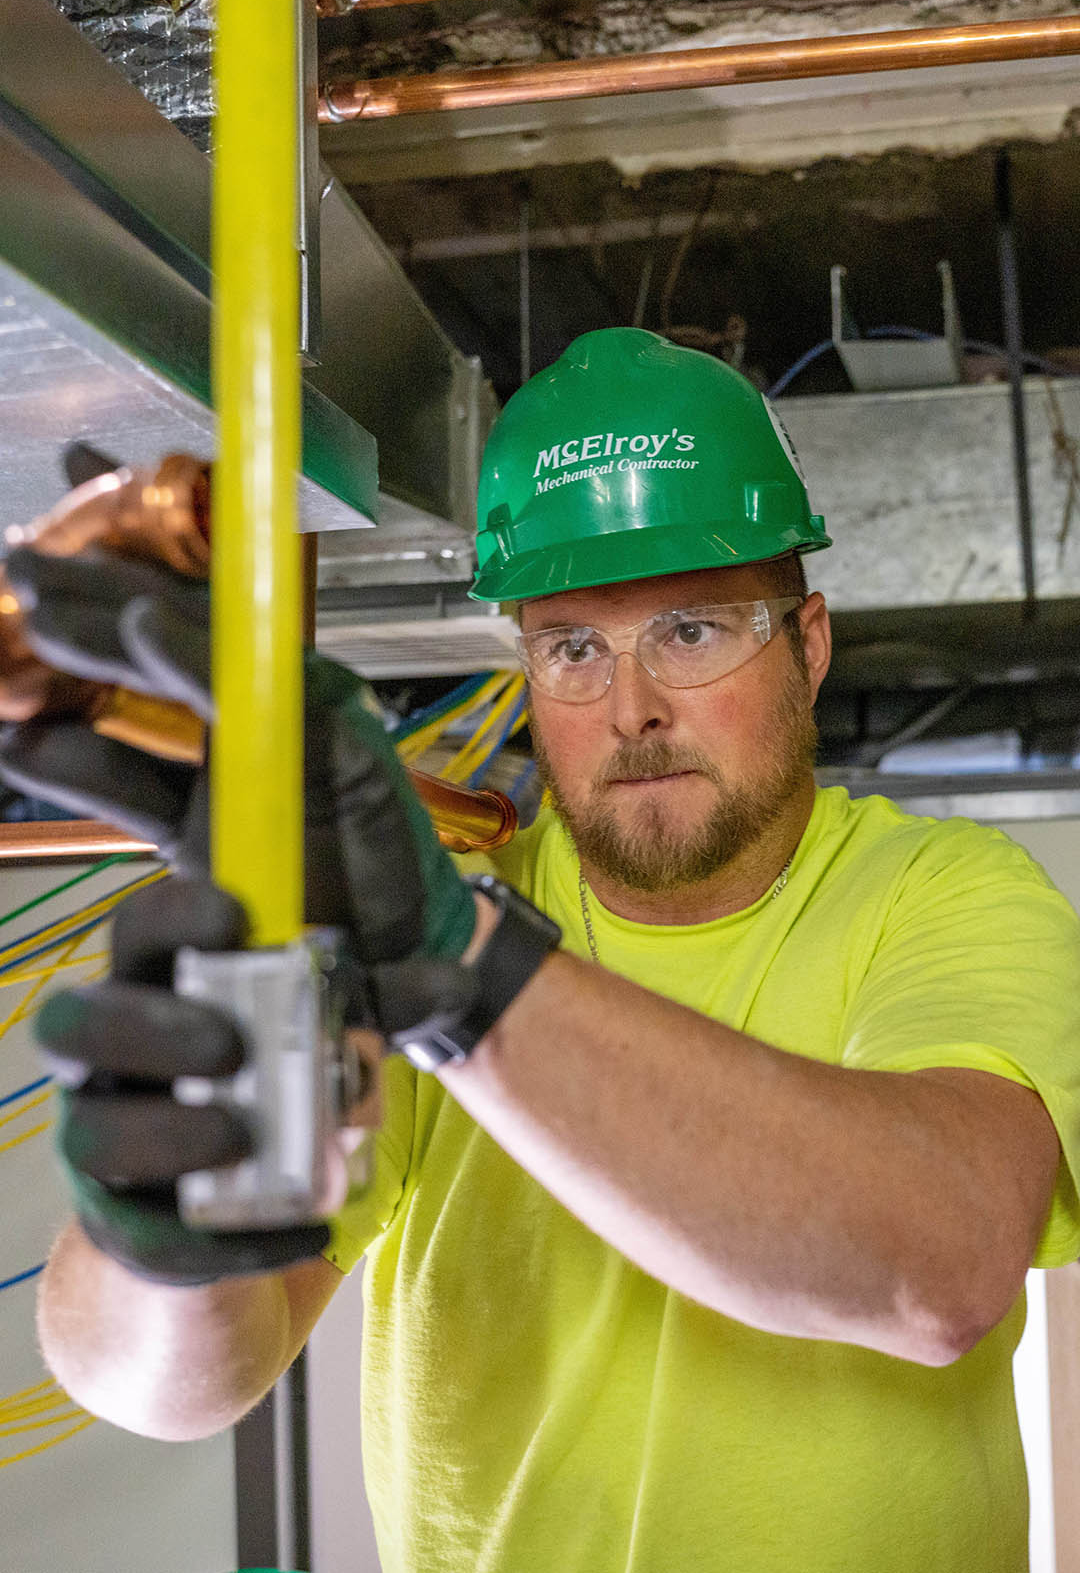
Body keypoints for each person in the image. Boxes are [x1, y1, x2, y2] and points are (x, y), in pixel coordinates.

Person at [2, 326, 1079, 1573]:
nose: (632, 708)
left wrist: (464, 981)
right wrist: (156, 1231)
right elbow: (177, 1386)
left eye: (691, 630)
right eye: (574, 647)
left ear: (810, 641)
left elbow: (938, 1261)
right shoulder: (420, 929)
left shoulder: (944, 899)